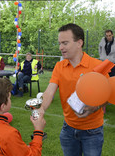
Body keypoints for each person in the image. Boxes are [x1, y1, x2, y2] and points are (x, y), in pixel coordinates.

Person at [39, 23, 108, 156]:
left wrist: (95, 107)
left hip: (92, 132)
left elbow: (108, 96)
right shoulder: (59, 66)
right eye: (59, 43)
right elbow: (49, 91)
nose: (61, 47)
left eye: (65, 43)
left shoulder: (98, 66)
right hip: (68, 129)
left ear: (79, 43)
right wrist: (42, 108)